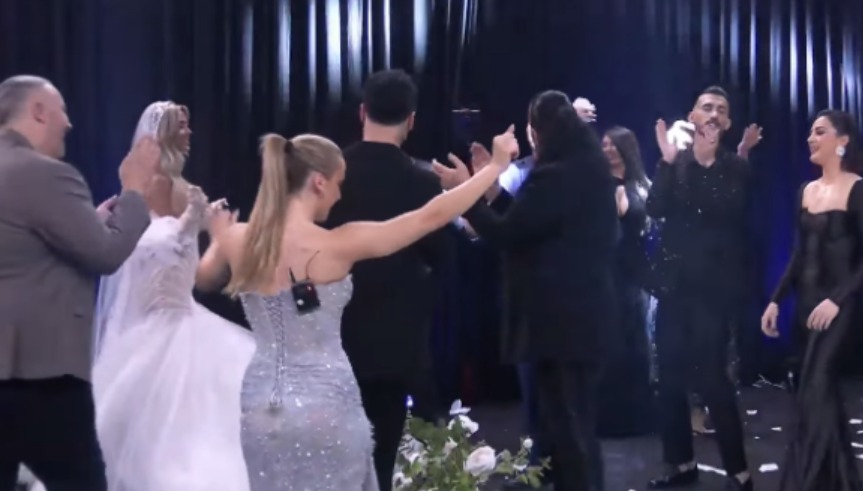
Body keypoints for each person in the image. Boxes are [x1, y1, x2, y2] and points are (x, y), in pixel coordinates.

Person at [196, 126, 519, 490]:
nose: (339, 194)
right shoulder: (338, 245)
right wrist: (495, 166)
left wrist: (218, 237)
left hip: (261, 402)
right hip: (328, 402)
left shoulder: (237, 239)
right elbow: (429, 217)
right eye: (338, 183)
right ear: (319, 182)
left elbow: (203, 280)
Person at [438, 90, 618, 491]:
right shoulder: (585, 169)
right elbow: (527, 222)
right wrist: (489, 190)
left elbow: (505, 234)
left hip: (560, 324)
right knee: (572, 429)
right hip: (584, 318)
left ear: (540, 131)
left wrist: (466, 192)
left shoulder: (556, 176)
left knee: (569, 432)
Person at [0, 74, 158, 490]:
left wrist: (92, 221)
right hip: (39, 374)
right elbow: (106, 255)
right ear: (38, 111)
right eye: (62, 111)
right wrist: (134, 190)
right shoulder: (45, 174)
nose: (69, 123)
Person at [86, 102, 255, 491]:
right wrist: (208, 230)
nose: (189, 133)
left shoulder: (183, 190)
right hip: (153, 330)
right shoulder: (148, 188)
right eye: (182, 126)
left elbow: (196, 276)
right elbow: (144, 256)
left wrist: (218, 237)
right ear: (162, 132)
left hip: (185, 325)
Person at [322, 69, 455, 490]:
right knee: (381, 457)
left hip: (332, 336)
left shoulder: (326, 177)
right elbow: (442, 256)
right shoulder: (424, 182)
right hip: (397, 341)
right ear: (411, 120)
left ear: (362, 112)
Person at [646, 86, 753, 491]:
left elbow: (727, 210)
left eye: (720, 110)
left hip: (713, 292)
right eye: (706, 107)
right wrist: (666, 162)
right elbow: (655, 208)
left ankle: (738, 472)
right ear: (692, 116)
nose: (713, 114)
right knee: (669, 379)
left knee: (713, 380)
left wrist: (706, 162)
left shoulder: (735, 166)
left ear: (727, 123)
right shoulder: (675, 162)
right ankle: (681, 464)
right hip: (674, 288)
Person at [761, 110, 863, 491]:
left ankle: (807, 482)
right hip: (806, 306)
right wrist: (776, 300)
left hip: (841, 306)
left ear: (842, 141)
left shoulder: (858, 189)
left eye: (820, 132)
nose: (811, 138)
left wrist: (838, 300)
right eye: (810, 132)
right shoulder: (806, 191)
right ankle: (836, 480)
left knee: (817, 387)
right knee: (814, 394)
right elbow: (798, 254)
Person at [596, 126, 653, 438]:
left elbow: (648, 220)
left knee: (635, 343)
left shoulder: (641, 184)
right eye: (604, 144)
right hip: (606, 270)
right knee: (610, 343)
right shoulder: (596, 184)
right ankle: (608, 419)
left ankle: (637, 416)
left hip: (634, 271)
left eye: (613, 144)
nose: (607, 149)